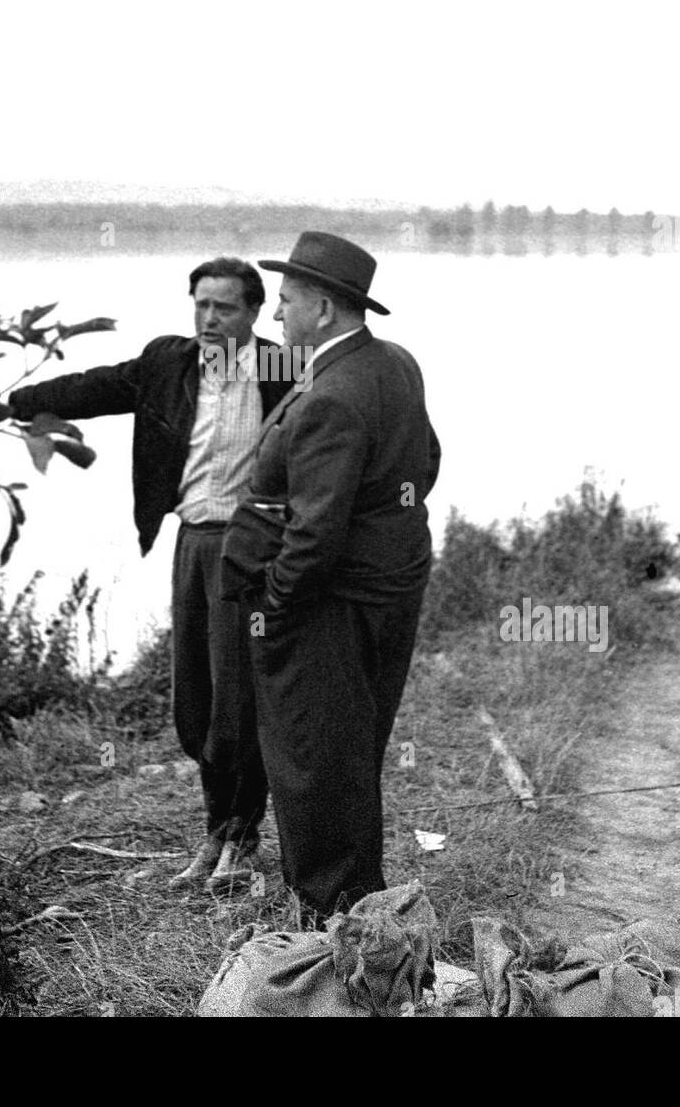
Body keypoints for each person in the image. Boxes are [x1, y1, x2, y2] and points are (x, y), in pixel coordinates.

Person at [6, 257, 294, 890]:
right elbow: (97, 385)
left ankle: (241, 841)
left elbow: (329, 440)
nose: (209, 319)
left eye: (224, 307)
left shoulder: (283, 366)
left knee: (239, 700)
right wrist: (13, 401)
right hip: (192, 542)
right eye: (201, 305)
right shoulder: (169, 362)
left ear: (253, 311)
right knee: (195, 697)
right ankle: (215, 830)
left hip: (252, 549)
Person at [220, 232, 440, 924]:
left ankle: (331, 919)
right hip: (389, 587)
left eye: (284, 301)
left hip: (330, 604)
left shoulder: (329, 396)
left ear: (321, 308)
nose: (276, 316)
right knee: (352, 750)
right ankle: (357, 908)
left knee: (314, 759)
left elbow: (314, 535)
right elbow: (425, 464)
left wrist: (278, 609)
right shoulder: (395, 365)